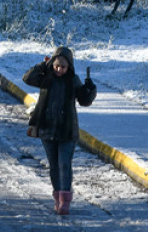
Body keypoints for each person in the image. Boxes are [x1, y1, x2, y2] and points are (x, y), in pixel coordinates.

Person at [23, 46, 97, 215]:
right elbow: (27, 78)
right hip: (47, 128)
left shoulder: (73, 80)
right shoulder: (46, 78)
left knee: (65, 164)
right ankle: (57, 196)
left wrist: (90, 89)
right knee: (54, 165)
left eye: (63, 67)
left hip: (67, 130)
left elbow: (84, 101)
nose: (59, 70)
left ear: (69, 67)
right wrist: (43, 65)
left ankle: (65, 200)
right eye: (56, 66)